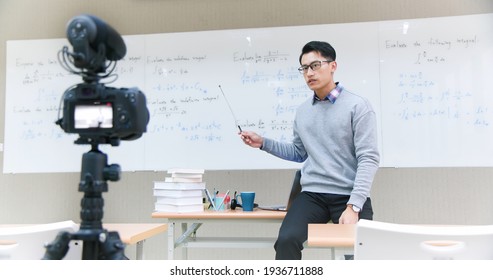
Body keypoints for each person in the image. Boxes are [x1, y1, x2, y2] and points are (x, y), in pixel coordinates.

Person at [239, 41, 380, 260]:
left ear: (333, 66)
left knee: (361, 252)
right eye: (304, 68)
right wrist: (263, 143)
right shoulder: (303, 111)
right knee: (286, 241)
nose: (309, 73)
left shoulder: (358, 106)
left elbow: (368, 159)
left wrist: (354, 205)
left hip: (349, 194)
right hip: (313, 194)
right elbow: (299, 152)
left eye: (315, 65)